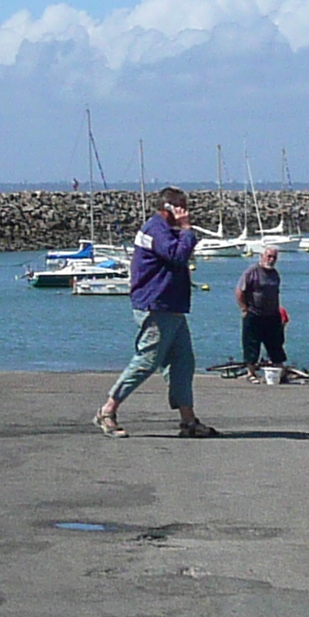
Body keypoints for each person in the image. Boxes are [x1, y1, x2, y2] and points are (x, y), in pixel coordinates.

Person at [97, 188, 216, 438]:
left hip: (172, 307)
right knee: (147, 360)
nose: (186, 211)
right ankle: (107, 411)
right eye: (181, 207)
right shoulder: (156, 229)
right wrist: (186, 229)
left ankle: (188, 421)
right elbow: (177, 255)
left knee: (183, 363)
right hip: (155, 305)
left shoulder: (165, 231)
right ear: (169, 207)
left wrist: (183, 232)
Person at [235, 247, 286, 371]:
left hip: (272, 314)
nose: (271, 259)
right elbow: (239, 291)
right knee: (252, 344)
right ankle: (251, 373)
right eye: (269, 256)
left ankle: (279, 370)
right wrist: (244, 309)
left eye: (274, 257)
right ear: (262, 256)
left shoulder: (274, 274)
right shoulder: (252, 272)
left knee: (276, 343)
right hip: (254, 313)